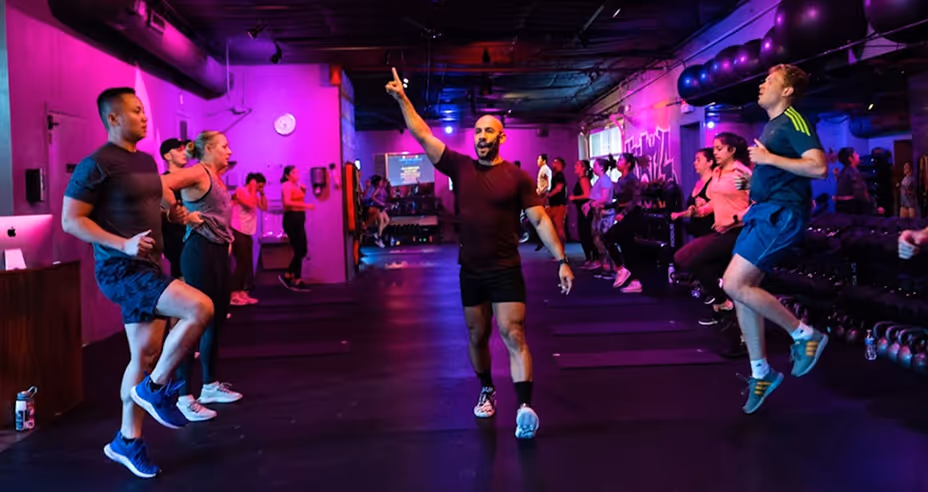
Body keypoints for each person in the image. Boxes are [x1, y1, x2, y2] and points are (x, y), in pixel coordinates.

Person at [385, 67, 574, 439]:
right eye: (478, 131)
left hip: (505, 268)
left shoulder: (518, 178)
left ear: (501, 137)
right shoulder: (460, 167)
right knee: (477, 335)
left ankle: (524, 406)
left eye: (489, 131)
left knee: (513, 333)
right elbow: (422, 134)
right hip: (471, 269)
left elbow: (539, 220)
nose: (482, 136)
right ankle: (487, 388)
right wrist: (403, 100)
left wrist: (562, 261)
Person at [62, 87, 213, 478]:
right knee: (200, 307)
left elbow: (155, 200)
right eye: (136, 111)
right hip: (120, 270)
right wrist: (122, 244)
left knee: (144, 355)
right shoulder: (96, 165)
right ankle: (156, 388)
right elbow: (71, 220)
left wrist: (175, 214)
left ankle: (127, 441)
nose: (144, 116)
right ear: (113, 118)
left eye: (143, 110)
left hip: (149, 267)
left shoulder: (144, 160)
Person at [722, 64, 829, 414]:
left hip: (782, 214)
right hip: (763, 211)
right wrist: (753, 181)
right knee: (741, 291)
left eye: (770, 81)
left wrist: (768, 159)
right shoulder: (772, 126)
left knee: (735, 284)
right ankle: (761, 372)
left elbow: (818, 167)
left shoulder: (795, 119)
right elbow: (781, 171)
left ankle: (805, 335)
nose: (762, 84)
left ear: (786, 90)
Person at [161, 130, 243, 422]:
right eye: (224, 146)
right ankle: (183, 396)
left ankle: (209, 385)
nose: (229, 151)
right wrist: (179, 213)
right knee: (194, 323)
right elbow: (162, 184)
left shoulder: (216, 177)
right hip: (199, 252)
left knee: (216, 320)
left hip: (217, 253)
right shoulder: (198, 172)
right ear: (208, 148)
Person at [675, 135, 752, 325]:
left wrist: (734, 219)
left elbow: (755, 204)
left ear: (732, 150)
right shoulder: (718, 171)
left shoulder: (740, 173)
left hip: (739, 231)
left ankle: (724, 304)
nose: (715, 152)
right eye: (714, 148)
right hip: (721, 231)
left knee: (696, 262)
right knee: (700, 265)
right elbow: (717, 201)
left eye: (719, 149)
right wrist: (699, 211)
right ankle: (723, 308)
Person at [602, 153, 644, 293]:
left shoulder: (632, 179)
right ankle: (635, 281)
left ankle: (621, 269)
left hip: (632, 215)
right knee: (627, 248)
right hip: (624, 214)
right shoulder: (621, 179)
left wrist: (623, 213)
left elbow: (636, 200)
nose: (618, 161)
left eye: (621, 159)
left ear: (628, 164)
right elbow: (619, 202)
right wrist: (605, 206)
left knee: (608, 237)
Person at [230, 172, 268, 306]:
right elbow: (250, 204)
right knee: (241, 263)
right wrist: (252, 188)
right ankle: (233, 294)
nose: (259, 189)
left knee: (246, 264)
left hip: (247, 232)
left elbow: (264, 207)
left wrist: (262, 194)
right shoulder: (240, 191)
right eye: (259, 186)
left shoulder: (254, 194)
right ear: (252, 183)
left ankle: (242, 293)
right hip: (237, 230)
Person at [279, 165, 314, 291]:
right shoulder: (286, 185)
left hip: (299, 219)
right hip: (291, 219)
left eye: (297, 172)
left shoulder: (297, 186)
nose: (297, 174)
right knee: (299, 248)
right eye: (293, 172)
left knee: (302, 249)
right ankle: (291, 276)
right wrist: (306, 205)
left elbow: (298, 201)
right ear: (287, 175)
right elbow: (287, 203)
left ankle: (294, 277)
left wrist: (303, 192)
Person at [160, 138, 190, 280]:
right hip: (177, 239)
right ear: (167, 155)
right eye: (179, 150)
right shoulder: (164, 181)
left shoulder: (191, 178)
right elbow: (174, 214)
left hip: (194, 237)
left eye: (185, 149)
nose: (184, 153)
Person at [671, 148, 716, 239]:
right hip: (697, 236)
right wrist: (679, 214)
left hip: (709, 236)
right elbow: (692, 210)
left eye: (698, 160)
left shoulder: (714, 184)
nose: (695, 163)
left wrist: (679, 215)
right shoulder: (698, 183)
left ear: (710, 162)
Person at [583, 158, 617, 276]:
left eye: (595, 166)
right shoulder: (600, 180)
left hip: (605, 215)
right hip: (599, 214)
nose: (593, 168)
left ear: (602, 167)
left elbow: (605, 198)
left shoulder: (605, 181)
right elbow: (596, 197)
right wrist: (589, 204)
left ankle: (610, 267)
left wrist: (591, 204)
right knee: (597, 239)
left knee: (604, 240)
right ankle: (605, 266)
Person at [569, 159, 595, 268]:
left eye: (578, 165)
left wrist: (574, 197)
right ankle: (590, 259)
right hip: (582, 211)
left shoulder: (584, 179)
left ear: (583, 168)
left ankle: (592, 259)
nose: (575, 166)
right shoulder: (581, 179)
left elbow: (587, 194)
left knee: (586, 234)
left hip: (585, 211)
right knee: (584, 234)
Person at [546, 157, 569, 248]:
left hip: (559, 206)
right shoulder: (556, 176)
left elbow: (559, 188)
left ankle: (561, 249)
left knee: (559, 228)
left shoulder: (560, 176)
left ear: (560, 165)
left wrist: (549, 195)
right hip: (554, 205)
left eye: (555, 163)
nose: (553, 164)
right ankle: (557, 248)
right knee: (554, 228)